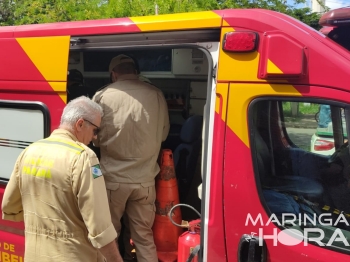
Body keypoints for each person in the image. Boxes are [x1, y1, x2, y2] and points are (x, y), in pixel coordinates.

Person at [1, 96, 123, 262]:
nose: (95, 137)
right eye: (96, 130)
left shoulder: (29, 151)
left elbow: (9, 206)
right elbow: (100, 228)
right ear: (80, 124)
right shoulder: (84, 158)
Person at [93, 54, 170, 262]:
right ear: (135, 72)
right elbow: (163, 134)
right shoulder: (156, 94)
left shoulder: (102, 96)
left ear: (113, 74)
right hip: (145, 181)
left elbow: (95, 140)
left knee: (110, 237)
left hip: (112, 182)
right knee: (144, 238)